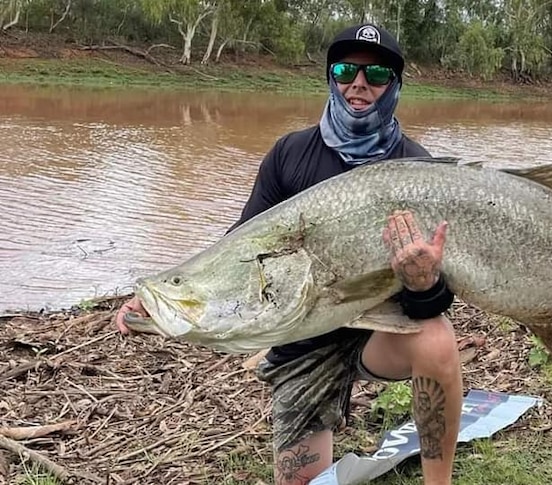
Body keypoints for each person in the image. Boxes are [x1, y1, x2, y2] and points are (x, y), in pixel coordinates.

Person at [114, 24, 462, 485]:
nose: (358, 84)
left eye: (376, 73)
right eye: (344, 70)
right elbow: (238, 245)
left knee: (436, 339)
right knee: (299, 481)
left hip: (378, 330)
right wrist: (154, 300)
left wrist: (423, 283)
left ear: (394, 85)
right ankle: (297, 387)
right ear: (330, 77)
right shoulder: (290, 153)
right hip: (303, 343)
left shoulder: (416, 170)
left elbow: (435, 301)